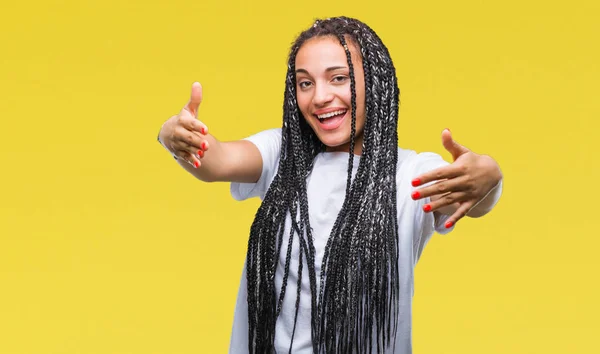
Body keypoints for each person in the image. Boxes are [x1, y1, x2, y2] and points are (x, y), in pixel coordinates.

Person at [157, 16, 503, 354]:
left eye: (339, 78)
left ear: (376, 83)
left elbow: (471, 199)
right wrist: (174, 136)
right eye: (305, 83)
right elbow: (216, 161)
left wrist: (488, 176)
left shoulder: (409, 172)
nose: (320, 97)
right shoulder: (283, 155)